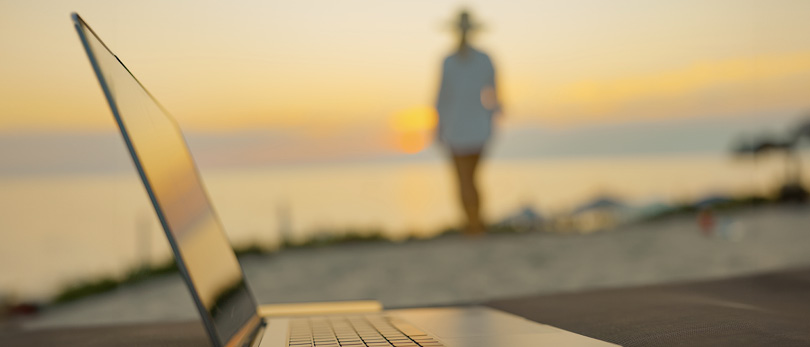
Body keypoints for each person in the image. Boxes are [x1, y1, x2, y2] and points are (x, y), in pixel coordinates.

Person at [435, 9, 501, 235]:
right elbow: (496, 99)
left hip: (464, 127)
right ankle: (475, 223)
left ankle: (473, 225)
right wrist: (491, 121)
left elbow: (441, 98)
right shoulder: (473, 59)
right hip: (471, 127)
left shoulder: (456, 61)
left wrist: (438, 128)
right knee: (470, 179)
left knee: (465, 179)